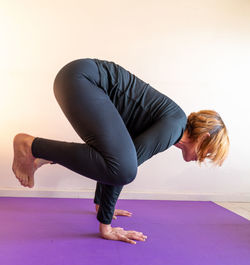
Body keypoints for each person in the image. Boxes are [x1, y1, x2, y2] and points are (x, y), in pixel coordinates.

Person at [12, 58, 229, 244]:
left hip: (76, 77)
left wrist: (101, 206)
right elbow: (123, 169)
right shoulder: (174, 128)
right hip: (83, 79)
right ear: (203, 138)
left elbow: (113, 161)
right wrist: (106, 226)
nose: (202, 159)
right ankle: (30, 145)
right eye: (207, 152)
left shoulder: (172, 123)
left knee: (118, 161)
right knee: (125, 168)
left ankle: (41, 154)